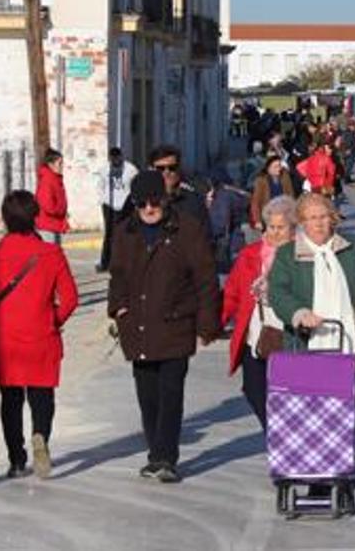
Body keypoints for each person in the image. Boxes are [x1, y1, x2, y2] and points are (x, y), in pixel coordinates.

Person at [108, 170, 222, 483]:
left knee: (171, 393)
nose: (148, 209)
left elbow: (205, 279)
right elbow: (117, 275)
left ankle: (165, 457)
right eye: (141, 203)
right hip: (139, 325)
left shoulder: (186, 229)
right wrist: (117, 307)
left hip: (175, 323)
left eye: (154, 201)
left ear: (165, 199)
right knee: (148, 396)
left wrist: (207, 324)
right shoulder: (124, 232)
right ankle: (155, 453)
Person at [0, 190, 79, 479]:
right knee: (42, 395)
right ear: (35, 217)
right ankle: (40, 436)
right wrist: (52, 319)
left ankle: (17, 459)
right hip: (42, 336)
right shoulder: (51, 254)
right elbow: (70, 298)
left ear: (5, 219)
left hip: (5, 340)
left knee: (10, 399)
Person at [268, 193, 355, 364]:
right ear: (302, 222)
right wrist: (299, 313)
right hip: (305, 344)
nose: (319, 223)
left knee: (346, 390)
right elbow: (277, 293)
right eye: (312, 218)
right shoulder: (287, 254)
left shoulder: (350, 247)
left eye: (323, 216)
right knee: (309, 390)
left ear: (332, 219)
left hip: (348, 343)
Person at [221, 195, 296, 429]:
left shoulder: (302, 256)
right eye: (270, 227)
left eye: (280, 227)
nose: (274, 232)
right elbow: (232, 292)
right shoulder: (250, 254)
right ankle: (277, 433)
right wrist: (214, 323)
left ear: (294, 228)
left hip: (289, 335)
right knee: (254, 389)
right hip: (255, 335)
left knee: (286, 394)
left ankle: (285, 440)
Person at [148, 145, 213, 239]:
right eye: (160, 169)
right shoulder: (140, 200)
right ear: (151, 170)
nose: (166, 172)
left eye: (172, 168)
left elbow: (205, 237)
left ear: (179, 169)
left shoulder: (193, 202)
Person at [97, 147, 137, 272]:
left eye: (117, 158)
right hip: (109, 205)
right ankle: (105, 262)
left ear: (121, 157)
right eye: (112, 159)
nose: (114, 161)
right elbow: (101, 186)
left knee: (123, 233)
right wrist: (103, 200)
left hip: (125, 205)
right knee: (109, 234)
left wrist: (132, 203)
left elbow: (135, 187)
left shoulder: (131, 170)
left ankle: (123, 261)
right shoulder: (105, 170)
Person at [249, 155, 296, 231]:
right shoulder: (261, 180)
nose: (279, 169)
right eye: (276, 167)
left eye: (279, 166)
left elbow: (290, 196)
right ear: (268, 169)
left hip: (283, 213)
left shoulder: (285, 176)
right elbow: (255, 202)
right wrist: (257, 221)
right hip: (269, 214)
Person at [34, 148, 69, 244]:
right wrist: (61, 210)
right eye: (59, 163)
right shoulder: (47, 180)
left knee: (54, 255)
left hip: (54, 224)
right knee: (49, 256)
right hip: (47, 226)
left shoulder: (55, 179)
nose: (62, 166)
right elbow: (47, 205)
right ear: (51, 164)